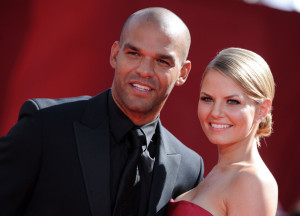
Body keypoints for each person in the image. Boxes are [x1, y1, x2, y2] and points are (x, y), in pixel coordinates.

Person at [0, 7, 204, 216]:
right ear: (115, 54)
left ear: (183, 73)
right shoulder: (45, 125)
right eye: (134, 54)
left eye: (162, 61)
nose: (144, 70)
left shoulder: (189, 169)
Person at [165, 47, 278, 216]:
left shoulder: (252, 181)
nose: (215, 112)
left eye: (232, 101)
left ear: (262, 109)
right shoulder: (218, 173)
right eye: (207, 99)